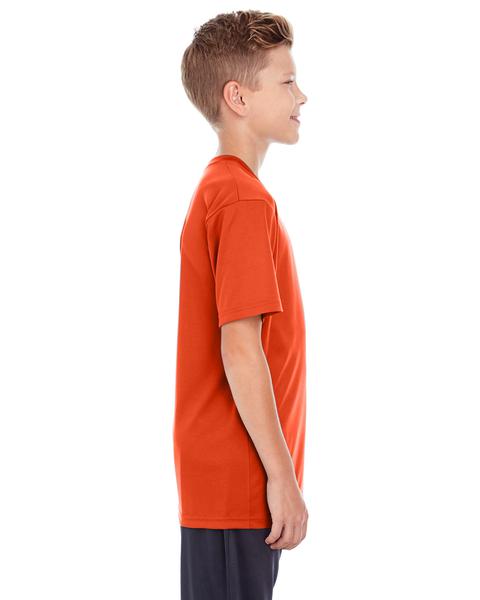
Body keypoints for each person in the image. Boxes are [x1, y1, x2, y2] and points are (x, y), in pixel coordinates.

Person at [174, 10, 309, 599]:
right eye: (287, 81)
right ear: (238, 97)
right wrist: (282, 477)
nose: (302, 95)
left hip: (227, 481)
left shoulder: (223, 189)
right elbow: (240, 347)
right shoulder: (241, 199)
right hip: (239, 480)